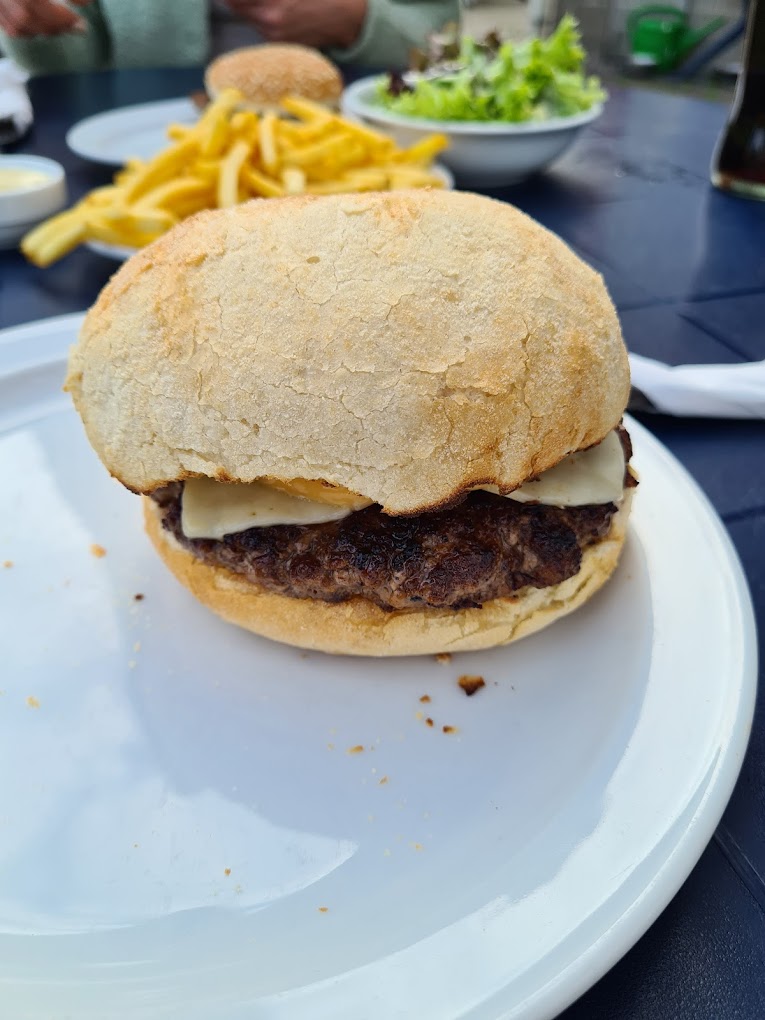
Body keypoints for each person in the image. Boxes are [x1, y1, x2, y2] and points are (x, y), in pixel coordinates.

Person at [0, 0, 459, 74]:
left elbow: (447, 41)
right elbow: (80, 49)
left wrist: (357, 20)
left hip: (356, 142)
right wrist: (37, 24)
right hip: (142, 142)